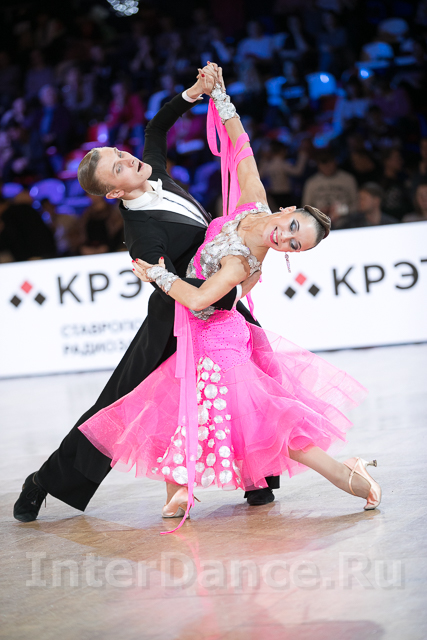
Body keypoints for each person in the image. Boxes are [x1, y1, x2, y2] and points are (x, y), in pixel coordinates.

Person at [77, 65, 380, 530]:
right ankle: (179, 488)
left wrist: (157, 275)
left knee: (265, 425)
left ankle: (350, 476)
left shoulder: (243, 261)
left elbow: (201, 300)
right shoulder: (252, 203)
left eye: (295, 245)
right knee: (186, 408)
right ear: (286, 209)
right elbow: (241, 149)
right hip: (198, 339)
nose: (286, 239)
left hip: (219, 341)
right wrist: (219, 97)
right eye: (293, 227)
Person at [13, 69, 275, 524]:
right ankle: (45, 481)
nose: (129, 158)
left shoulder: (155, 172)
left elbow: (156, 127)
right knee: (116, 405)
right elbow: (172, 285)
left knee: (247, 383)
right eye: (119, 166)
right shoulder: (141, 235)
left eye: (121, 153)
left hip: (219, 301)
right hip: (177, 318)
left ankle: (256, 478)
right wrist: (229, 289)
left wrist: (194, 93)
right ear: (115, 191)